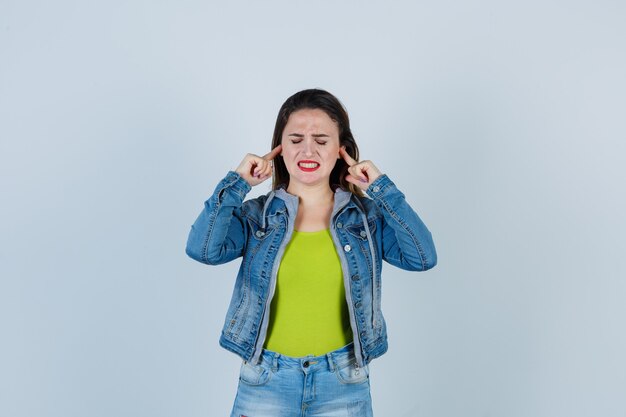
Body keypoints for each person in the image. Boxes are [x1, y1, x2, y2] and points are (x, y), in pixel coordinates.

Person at [185, 88, 437, 416]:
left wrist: (381, 186)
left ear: (340, 150)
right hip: (265, 380)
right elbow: (203, 249)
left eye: (321, 140)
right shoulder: (256, 216)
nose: (308, 149)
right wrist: (237, 183)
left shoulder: (365, 218)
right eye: (295, 139)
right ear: (279, 148)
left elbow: (422, 256)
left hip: (343, 382)